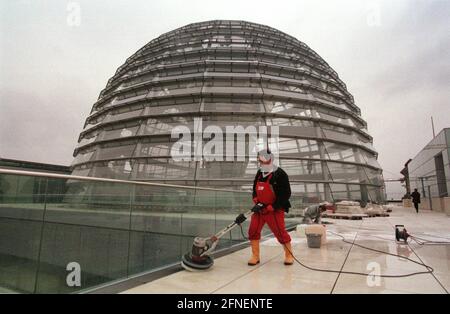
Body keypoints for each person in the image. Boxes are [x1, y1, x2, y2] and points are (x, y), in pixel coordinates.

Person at [248, 149, 294, 266]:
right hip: (260, 209)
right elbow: (254, 188)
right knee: (253, 230)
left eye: (264, 160)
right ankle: (255, 256)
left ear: (271, 159)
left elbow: (286, 193)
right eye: (260, 160)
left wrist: (273, 206)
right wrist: (256, 200)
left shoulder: (280, 174)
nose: (262, 163)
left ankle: (289, 255)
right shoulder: (260, 173)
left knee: (280, 232)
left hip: (274, 209)